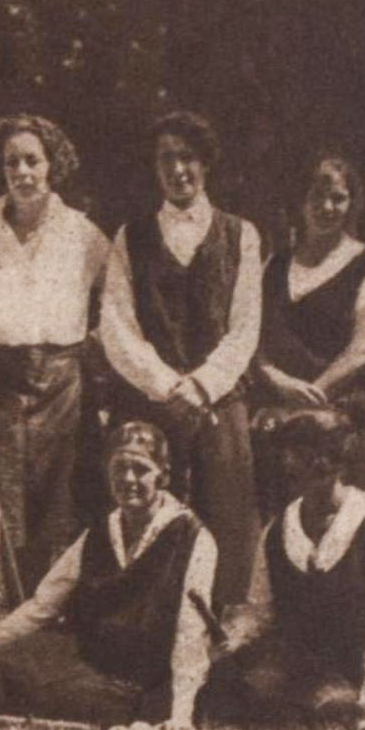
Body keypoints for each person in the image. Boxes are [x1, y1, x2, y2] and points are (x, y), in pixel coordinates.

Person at [0, 114, 110, 589]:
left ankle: (54, 615)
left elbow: (119, 310)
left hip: (64, 391)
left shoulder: (84, 235)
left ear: (53, 165)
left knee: (62, 510)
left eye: (33, 160)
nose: (23, 172)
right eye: (12, 162)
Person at [99, 111, 263, 610]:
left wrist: (201, 386)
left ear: (205, 163)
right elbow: (117, 325)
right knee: (148, 519)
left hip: (218, 402)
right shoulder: (131, 237)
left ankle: (227, 626)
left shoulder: (241, 235)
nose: (177, 169)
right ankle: (151, 630)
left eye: (187, 157)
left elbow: (245, 326)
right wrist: (168, 386)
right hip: (152, 403)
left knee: (228, 520)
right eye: (165, 159)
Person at [0, 421, 214, 730]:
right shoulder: (102, 530)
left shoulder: (192, 538)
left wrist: (181, 714)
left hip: (141, 679)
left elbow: (191, 633)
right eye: (119, 468)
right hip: (89, 661)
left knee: (51, 694)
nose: (128, 479)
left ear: (163, 476)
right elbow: (42, 605)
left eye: (141, 469)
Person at [208, 410, 365, 730]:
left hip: (354, 670)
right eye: (298, 461)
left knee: (332, 705)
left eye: (321, 460)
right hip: (294, 667)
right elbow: (260, 611)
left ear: (340, 464)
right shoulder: (277, 532)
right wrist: (234, 637)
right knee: (224, 684)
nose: (310, 470)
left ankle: (329, 707)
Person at [254, 154, 365, 415]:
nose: (327, 207)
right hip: (277, 392)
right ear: (301, 201)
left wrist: (309, 397)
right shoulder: (274, 264)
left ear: (351, 204)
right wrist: (277, 380)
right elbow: (254, 339)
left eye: (338, 198)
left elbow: (360, 353)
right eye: (317, 196)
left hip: (342, 396)